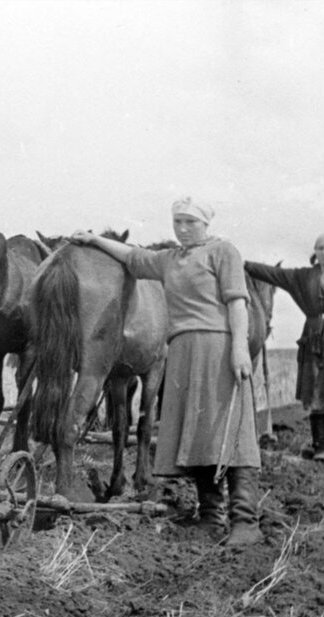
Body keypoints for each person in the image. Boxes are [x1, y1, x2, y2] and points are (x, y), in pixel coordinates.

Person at [71, 197, 263, 546]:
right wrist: (93, 240)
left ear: (205, 223)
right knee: (198, 432)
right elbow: (130, 256)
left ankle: (245, 521)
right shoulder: (168, 260)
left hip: (218, 348)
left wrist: (239, 349)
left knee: (230, 428)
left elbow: (237, 303)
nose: (183, 228)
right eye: (178, 222)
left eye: (191, 222)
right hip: (182, 352)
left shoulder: (224, 252)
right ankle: (211, 516)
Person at [245, 234, 324, 464]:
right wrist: (243, 264)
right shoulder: (304, 277)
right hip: (314, 339)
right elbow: (275, 274)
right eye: (320, 248)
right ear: (315, 251)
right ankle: (320, 446)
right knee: (317, 392)